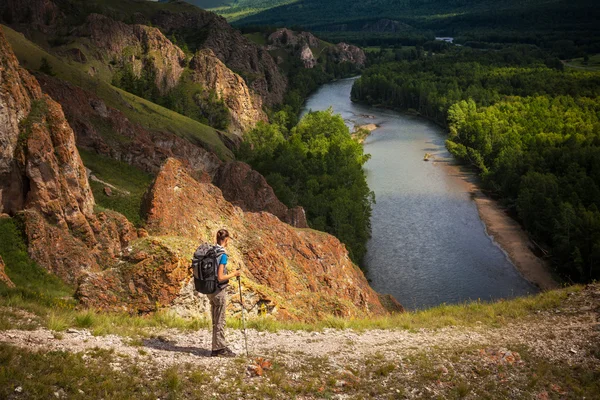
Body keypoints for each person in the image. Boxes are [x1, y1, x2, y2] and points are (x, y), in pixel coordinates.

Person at [207, 229, 240, 357]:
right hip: (218, 290)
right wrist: (234, 274)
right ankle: (220, 349)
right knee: (220, 320)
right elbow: (220, 277)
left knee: (215, 320)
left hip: (209, 290)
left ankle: (215, 348)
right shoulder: (222, 255)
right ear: (226, 240)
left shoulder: (211, 251)